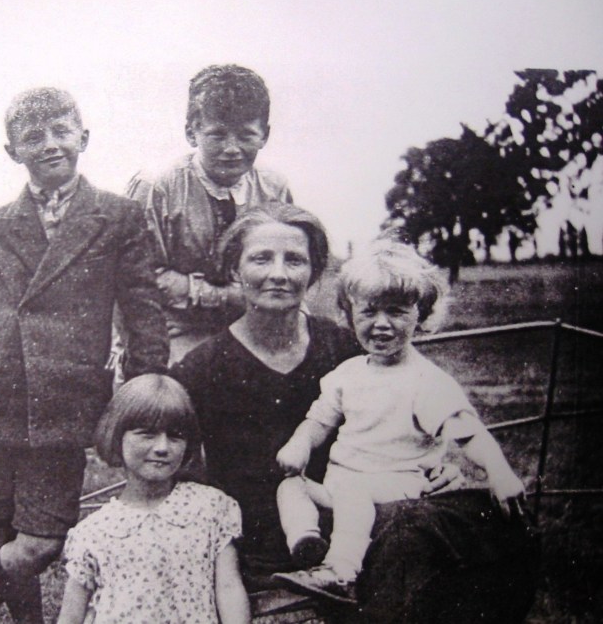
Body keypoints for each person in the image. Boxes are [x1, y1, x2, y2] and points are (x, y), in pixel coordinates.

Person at [170, 201, 537, 622]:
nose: (278, 273)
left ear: (313, 272)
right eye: (260, 258)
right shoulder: (200, 369)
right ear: (234, 270)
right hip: (263, 546)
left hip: (371, 527)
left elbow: (409, 407)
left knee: (496, 533)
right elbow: (178, 479)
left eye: (295, 260)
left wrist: (436, 464)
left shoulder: (347, 348)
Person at [0, 87, 168, 624]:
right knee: (5, 532)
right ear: (13, 151)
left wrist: (149, 393)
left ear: (84, 137)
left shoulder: (119, 217)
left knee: (42, 542)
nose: (50, 145)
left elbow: (143, 308)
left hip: (65, 402)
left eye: (61, 131)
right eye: (33, 137)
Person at [272, 240, 527, 604]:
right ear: (349, 315)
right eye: (368, 311)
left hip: (396, 487)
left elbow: (468, 432)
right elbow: (318, 420)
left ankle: (339, 574)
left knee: (355, 495)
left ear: (420, 315)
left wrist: (500, 473)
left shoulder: (424, 381)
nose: (381, 324)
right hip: (342, 488)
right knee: (291, 486)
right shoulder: (348, 373)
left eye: (396, 311)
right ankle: (307, 546)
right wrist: (299, 444)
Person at [126, 64, 293, 364]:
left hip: (254, 325)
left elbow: (291, 260)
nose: (232, 148)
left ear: (264, 135)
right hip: (174, 328)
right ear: (192, 132)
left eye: (245, 135)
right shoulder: (157, 187)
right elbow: (140, 275)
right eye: (217, 135)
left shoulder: (274, 189)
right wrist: (226, 296)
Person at [57, 374, 250, 624]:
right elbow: (70, 618)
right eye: (147, 434)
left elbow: (228, 588)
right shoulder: (94, 532)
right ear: (117, 437)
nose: (162, 447)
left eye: (175, 436)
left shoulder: (211, 508)